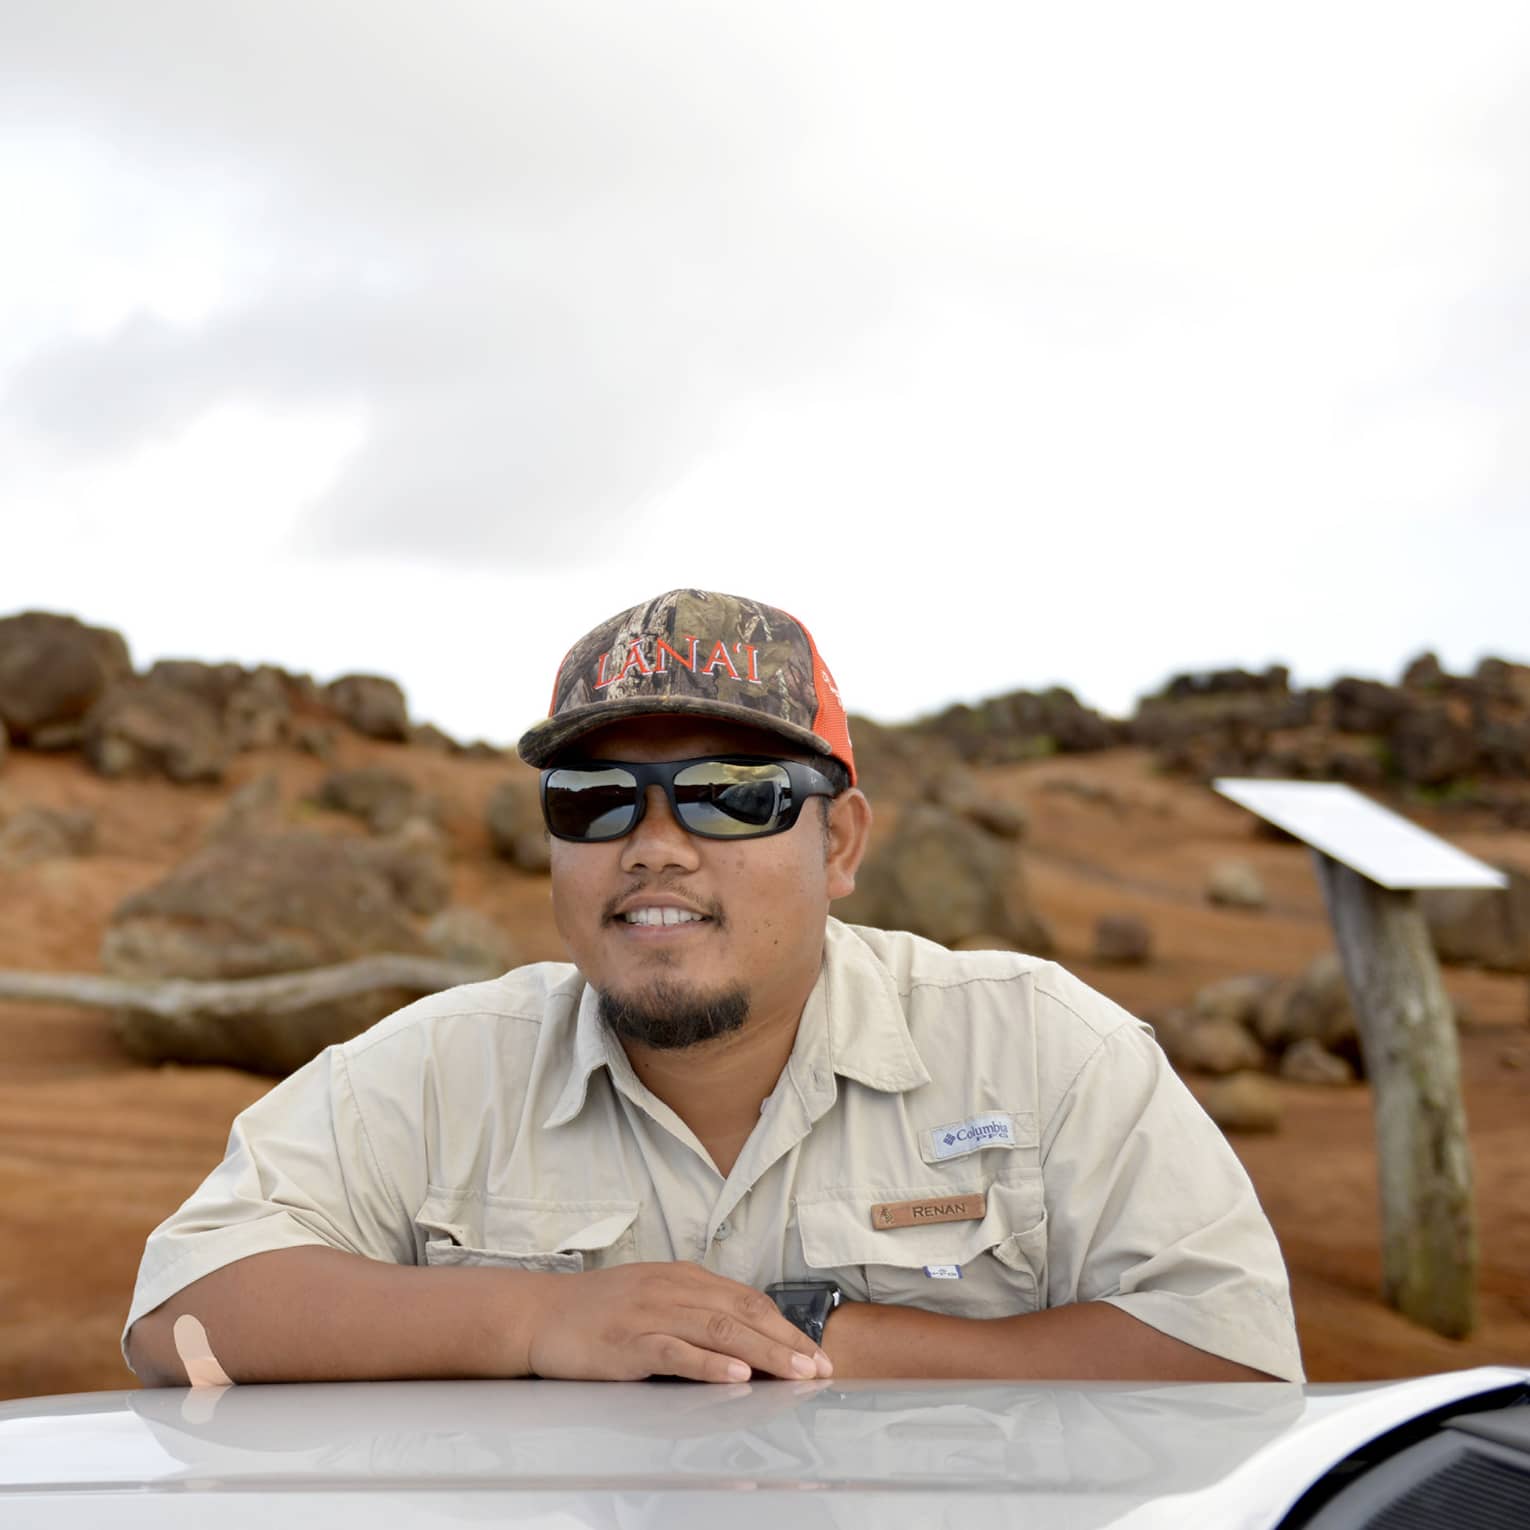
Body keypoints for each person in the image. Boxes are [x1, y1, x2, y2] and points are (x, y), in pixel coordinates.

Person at [124, 588, 1303, 1387]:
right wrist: (540, 1323)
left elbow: (1239, 1362)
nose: (654, 844)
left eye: (731, 794)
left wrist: (815, 1341)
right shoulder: (441, 1068)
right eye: (594, 800)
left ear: (840, 843)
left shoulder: (1044, 1052)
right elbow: (184, 1309)